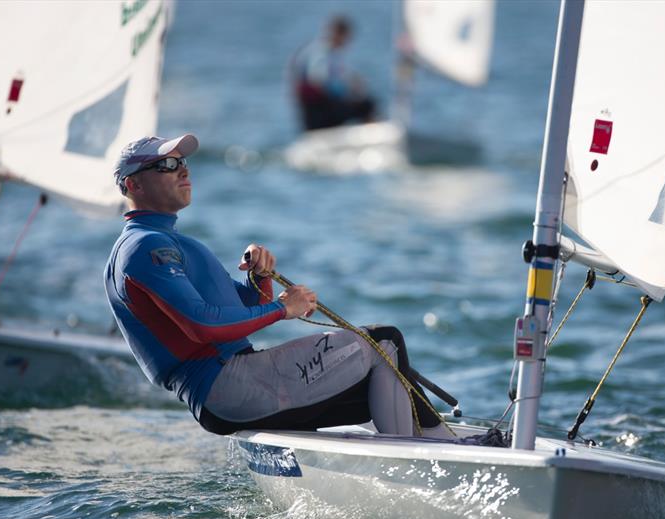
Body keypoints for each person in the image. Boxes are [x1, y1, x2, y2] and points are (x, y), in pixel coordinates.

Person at [104, 134, 451, 438]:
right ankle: (427, 457)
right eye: (166, 164)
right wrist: (284, 309)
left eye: (182, 161)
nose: (183, 170)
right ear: (133, 185)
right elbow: (204, 326)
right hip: (226, 386)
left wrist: (260, 277)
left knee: (382, 381)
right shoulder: (146, 247)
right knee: (384, 343)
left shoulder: (165, 241)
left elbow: (240, 309)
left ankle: (439, 444)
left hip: (233, 389)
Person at [291, 15, 377, 131]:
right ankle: (372, 134)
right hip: (317, 114)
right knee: (367, 105)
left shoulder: (329, 52)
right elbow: (318, 80)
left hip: (319, 109)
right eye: (346, 37)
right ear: (338, 34)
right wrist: (347, 93)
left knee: (363, 101)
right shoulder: (321, 52)